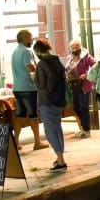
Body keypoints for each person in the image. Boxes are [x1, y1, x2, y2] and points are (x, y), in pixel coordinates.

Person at [32, 38, 68, 172]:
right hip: (58, 100)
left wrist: (34, 77)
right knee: (57, 128)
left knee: (50, 130)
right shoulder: (56, 60)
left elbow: (42, 84)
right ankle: (60, 157)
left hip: (47, 101)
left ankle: (61, 160)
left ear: (38, 51)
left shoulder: (42, 64)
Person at [10, 29, 45, 149]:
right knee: (33, 115)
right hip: (28, 87)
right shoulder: (26, 51)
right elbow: (30, 68)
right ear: (24, 38)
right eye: (30, 37)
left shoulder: (15, 51)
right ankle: (37, 142)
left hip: (18, 87)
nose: (32, 39)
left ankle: (16, 142)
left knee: (20, 115)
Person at [64, 39, 96, 139]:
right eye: (72, 48)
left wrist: (86, 74)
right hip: (73, 85)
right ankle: (83, 127)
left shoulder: (86, 56)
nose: (74, 50)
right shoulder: (69, 58)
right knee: (76, 108)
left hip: (84, 85)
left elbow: (95, 65)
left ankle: (87, 130)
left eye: (76, 47)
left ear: (80, 47)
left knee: (84, 107)